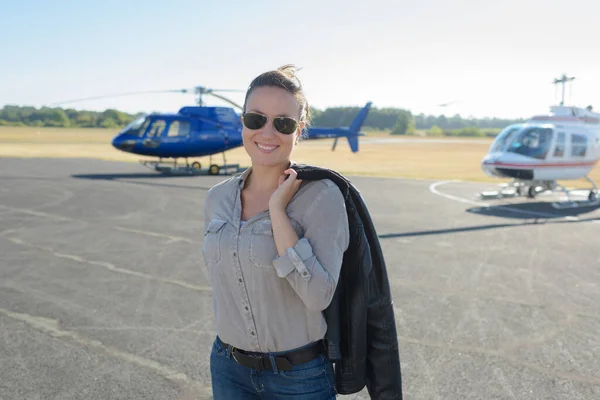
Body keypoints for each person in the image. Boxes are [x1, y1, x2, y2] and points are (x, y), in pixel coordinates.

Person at [202, 65, 349, 399]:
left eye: (283, 123)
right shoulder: (217, 198)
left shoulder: (322, 196)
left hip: (297, 379)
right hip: (228, 367)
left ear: (299, 131)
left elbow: (317, 296)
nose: (267, 132)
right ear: (243, 122)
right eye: (256, 118)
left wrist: (277, 212)